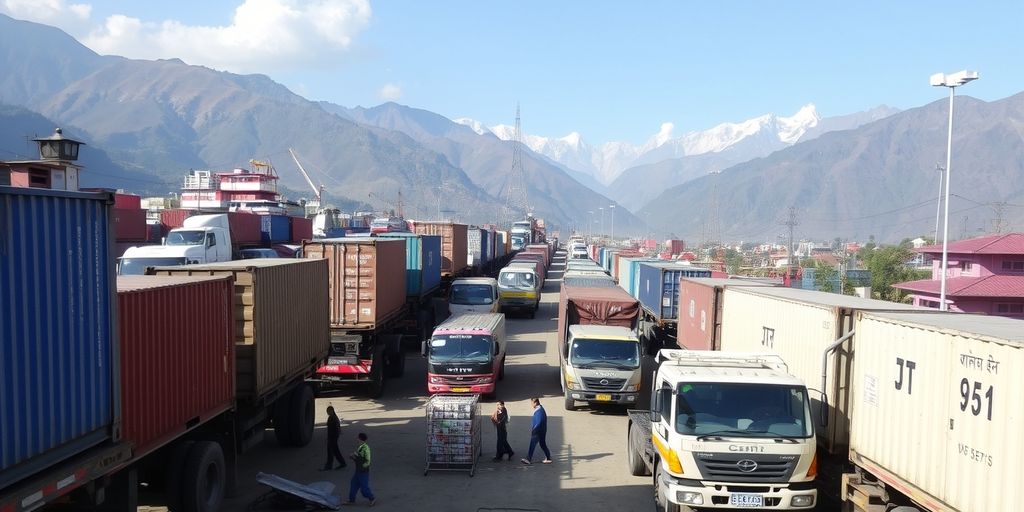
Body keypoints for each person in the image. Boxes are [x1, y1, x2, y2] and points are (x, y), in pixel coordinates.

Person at [346, 432, 375, 506]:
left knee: (364, 489)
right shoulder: (361, 447)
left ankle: (372, 498)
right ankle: (351, 500)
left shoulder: (365, 448)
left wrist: (354, 457)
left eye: (358, 438)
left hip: (363, 472)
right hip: (358, 471)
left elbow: (366, 460)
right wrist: (353, 457)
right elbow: (358, 458)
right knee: (353, 484)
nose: (357, 439)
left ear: (360, 438)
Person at [521, 397, 552, 465]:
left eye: (532, 403)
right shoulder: (540, 409)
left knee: (532, 444)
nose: (531, 405)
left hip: (538, 431)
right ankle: (548, 458)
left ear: (535, 402)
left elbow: (539, 422)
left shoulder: (539, 411)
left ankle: (528, 459)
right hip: (542, 430)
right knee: (542, 444)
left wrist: (534, 430)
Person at [321, 406, 346, 471]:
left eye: (328, 411)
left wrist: (331, 438)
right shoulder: (333, 417)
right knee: (334, 451)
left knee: (331, 451)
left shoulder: (333, 418)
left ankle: (329, 465)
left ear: (331, 411)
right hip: (333, 437)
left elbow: (335, 429)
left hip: (333, 437)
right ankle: (342, 463)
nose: (327, 413)